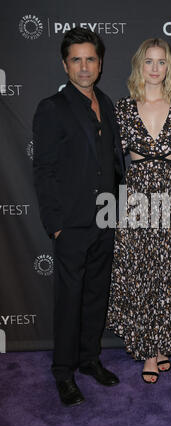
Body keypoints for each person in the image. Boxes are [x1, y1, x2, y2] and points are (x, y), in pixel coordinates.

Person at [33, 27, 125, 406]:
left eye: (91, 59)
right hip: (70, 223)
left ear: (100, 64)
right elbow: (45, 170)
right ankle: (63, 371)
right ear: (65, 64)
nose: (84, 67)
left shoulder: (106, 102)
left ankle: (89, 359)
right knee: (69, 298)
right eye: (77, 59)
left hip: (106, 219)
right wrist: (54, 224)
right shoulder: (51, 108)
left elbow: (114, 164)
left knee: (95, 295)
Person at [106, 38, 171, 384]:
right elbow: (110, 156)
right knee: (140, 268)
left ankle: (163, 345)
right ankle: (146, 351)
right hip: (137, 195)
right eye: (149, 62)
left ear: (169, 67)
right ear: (139, 66)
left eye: (161, 62)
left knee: (168, 269)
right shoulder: (123, 109)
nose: (155, 69)